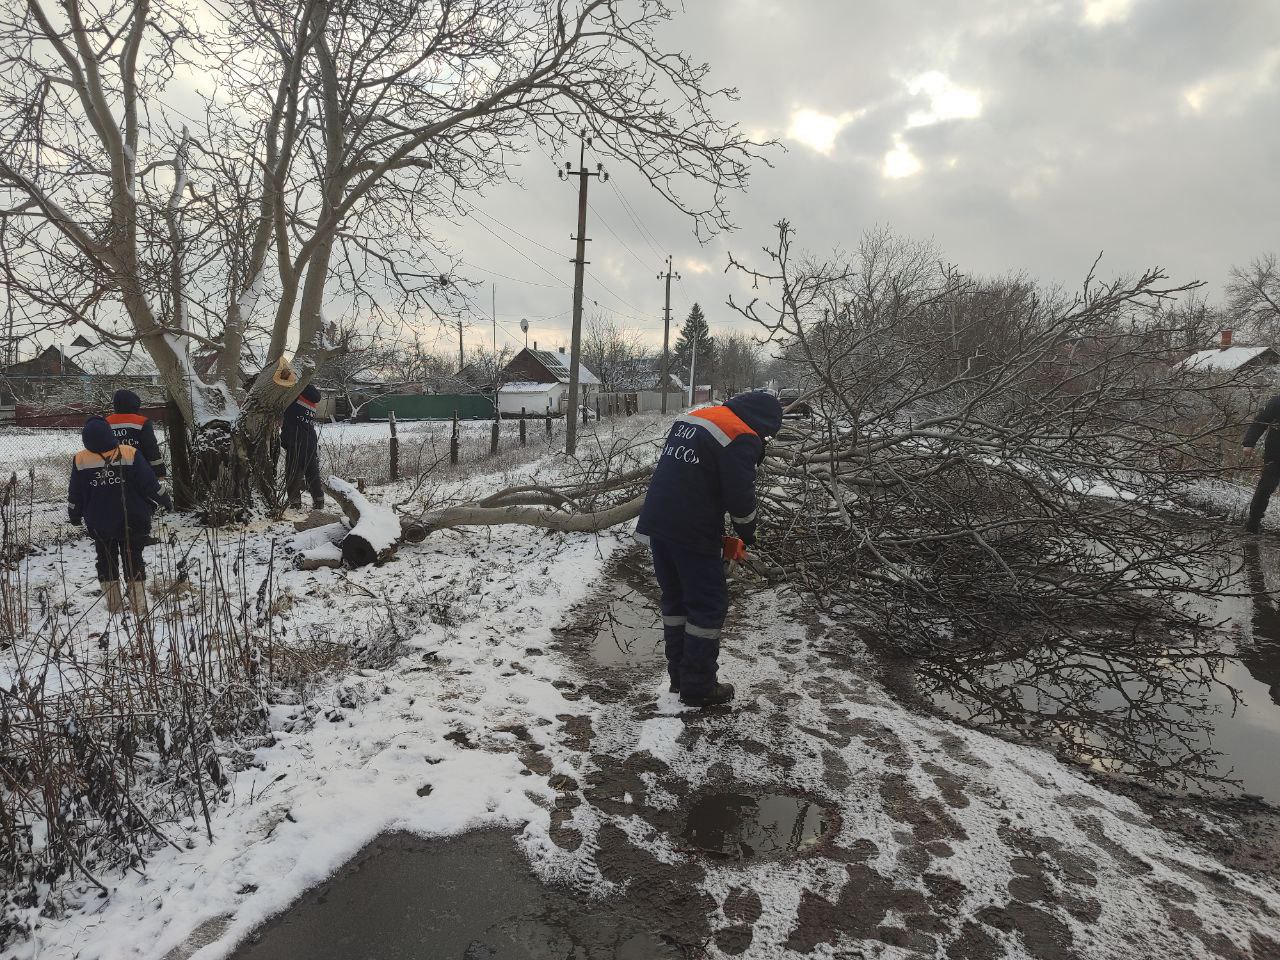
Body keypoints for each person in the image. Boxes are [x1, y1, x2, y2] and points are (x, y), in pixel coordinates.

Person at [636, 390, 783, 708]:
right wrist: (748, 533)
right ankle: (699, 686)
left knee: (675, 600)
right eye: (768, 435)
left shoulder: (697, 417)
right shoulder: (742, 435)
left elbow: (696, 475)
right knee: (706, 605)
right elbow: (740, 499)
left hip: (657, 521)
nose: (765, 441)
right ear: (763, 424)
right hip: (692, 529)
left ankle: (679, 678)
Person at [67, 415, 172, 614]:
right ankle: (138, 605)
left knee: (105, 560)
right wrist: (165, 500)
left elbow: (76, 492)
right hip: (132, 518)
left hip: (100, 522)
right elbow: (149, 484)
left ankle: (114, 605)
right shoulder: (129, 453)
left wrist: (74, 513)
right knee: (133, 558)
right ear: (109, 433)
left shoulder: (80, 459)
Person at [282, 383, 325, 511]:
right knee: (312, 473)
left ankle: (295, 504)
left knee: (293, 473)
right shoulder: (311, 397)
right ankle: (319, 501)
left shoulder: (294, 395)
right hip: (310, 439)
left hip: (295, 440)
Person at [107, 389, 167, 480]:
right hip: (139, 472)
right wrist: (159, 472)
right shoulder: (142, 422)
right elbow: (151, 449)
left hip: (113, 473)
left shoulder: (106, 422)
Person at [1242, 394, 1280, 533]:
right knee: (1266, 488)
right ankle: (1253, 523)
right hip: (1276, 454)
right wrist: (1249, 443)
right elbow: (1260, 422)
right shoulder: (1277, 401)